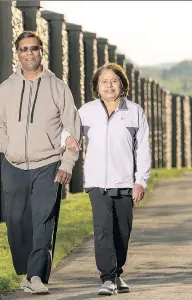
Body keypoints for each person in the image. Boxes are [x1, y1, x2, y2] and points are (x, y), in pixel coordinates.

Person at [0, 31, 81, 294]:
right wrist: (8, 149)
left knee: (43, 220)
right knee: (17, 221)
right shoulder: (6, 88)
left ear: (41, 51)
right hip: (14, 165)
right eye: (23, 49)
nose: (29, 53)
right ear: (17, 53)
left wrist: (67, 163)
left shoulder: (58, 87)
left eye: (33, 48)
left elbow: (72, 129)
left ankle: (36, 275)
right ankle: (25, 272)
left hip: (48, 164)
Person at [62, 63, 151, 295]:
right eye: (104, 82)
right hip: (96, 183)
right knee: (103, 230)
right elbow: (67, 131)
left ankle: (117, 273)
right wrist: (68, 140)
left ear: (122, 84)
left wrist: (140, 180)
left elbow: (142, 149)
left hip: (124, 183)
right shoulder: (86, 111)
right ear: (97, 87)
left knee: (122, 231)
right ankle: (108, 277)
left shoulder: (135, 112)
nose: (109, 86)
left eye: (113, 81)